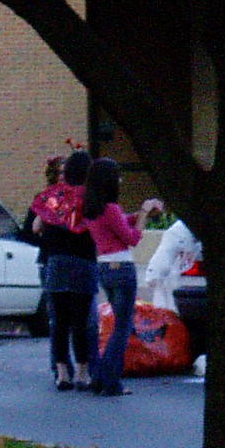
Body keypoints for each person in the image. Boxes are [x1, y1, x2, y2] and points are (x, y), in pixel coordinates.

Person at [78, 158, 163, 396]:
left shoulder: (93, 209)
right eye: (117, 176)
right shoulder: (111, 208)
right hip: (123, 268)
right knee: (123, 328)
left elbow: (118, 224)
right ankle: (109, 380)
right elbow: (132, 238)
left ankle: (100, 377)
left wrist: (137, 214)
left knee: (117, 326)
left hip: (105, 268)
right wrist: (145, 212)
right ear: (109, 181)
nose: (121, 180)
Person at [31, 150, 97, 390]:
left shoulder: (53, 196)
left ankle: (62, 374)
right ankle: (82, 372)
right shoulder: (92, 198)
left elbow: (36, 225)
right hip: (84, 262)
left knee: (59, 321)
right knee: (80, 321)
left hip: (57, 261)